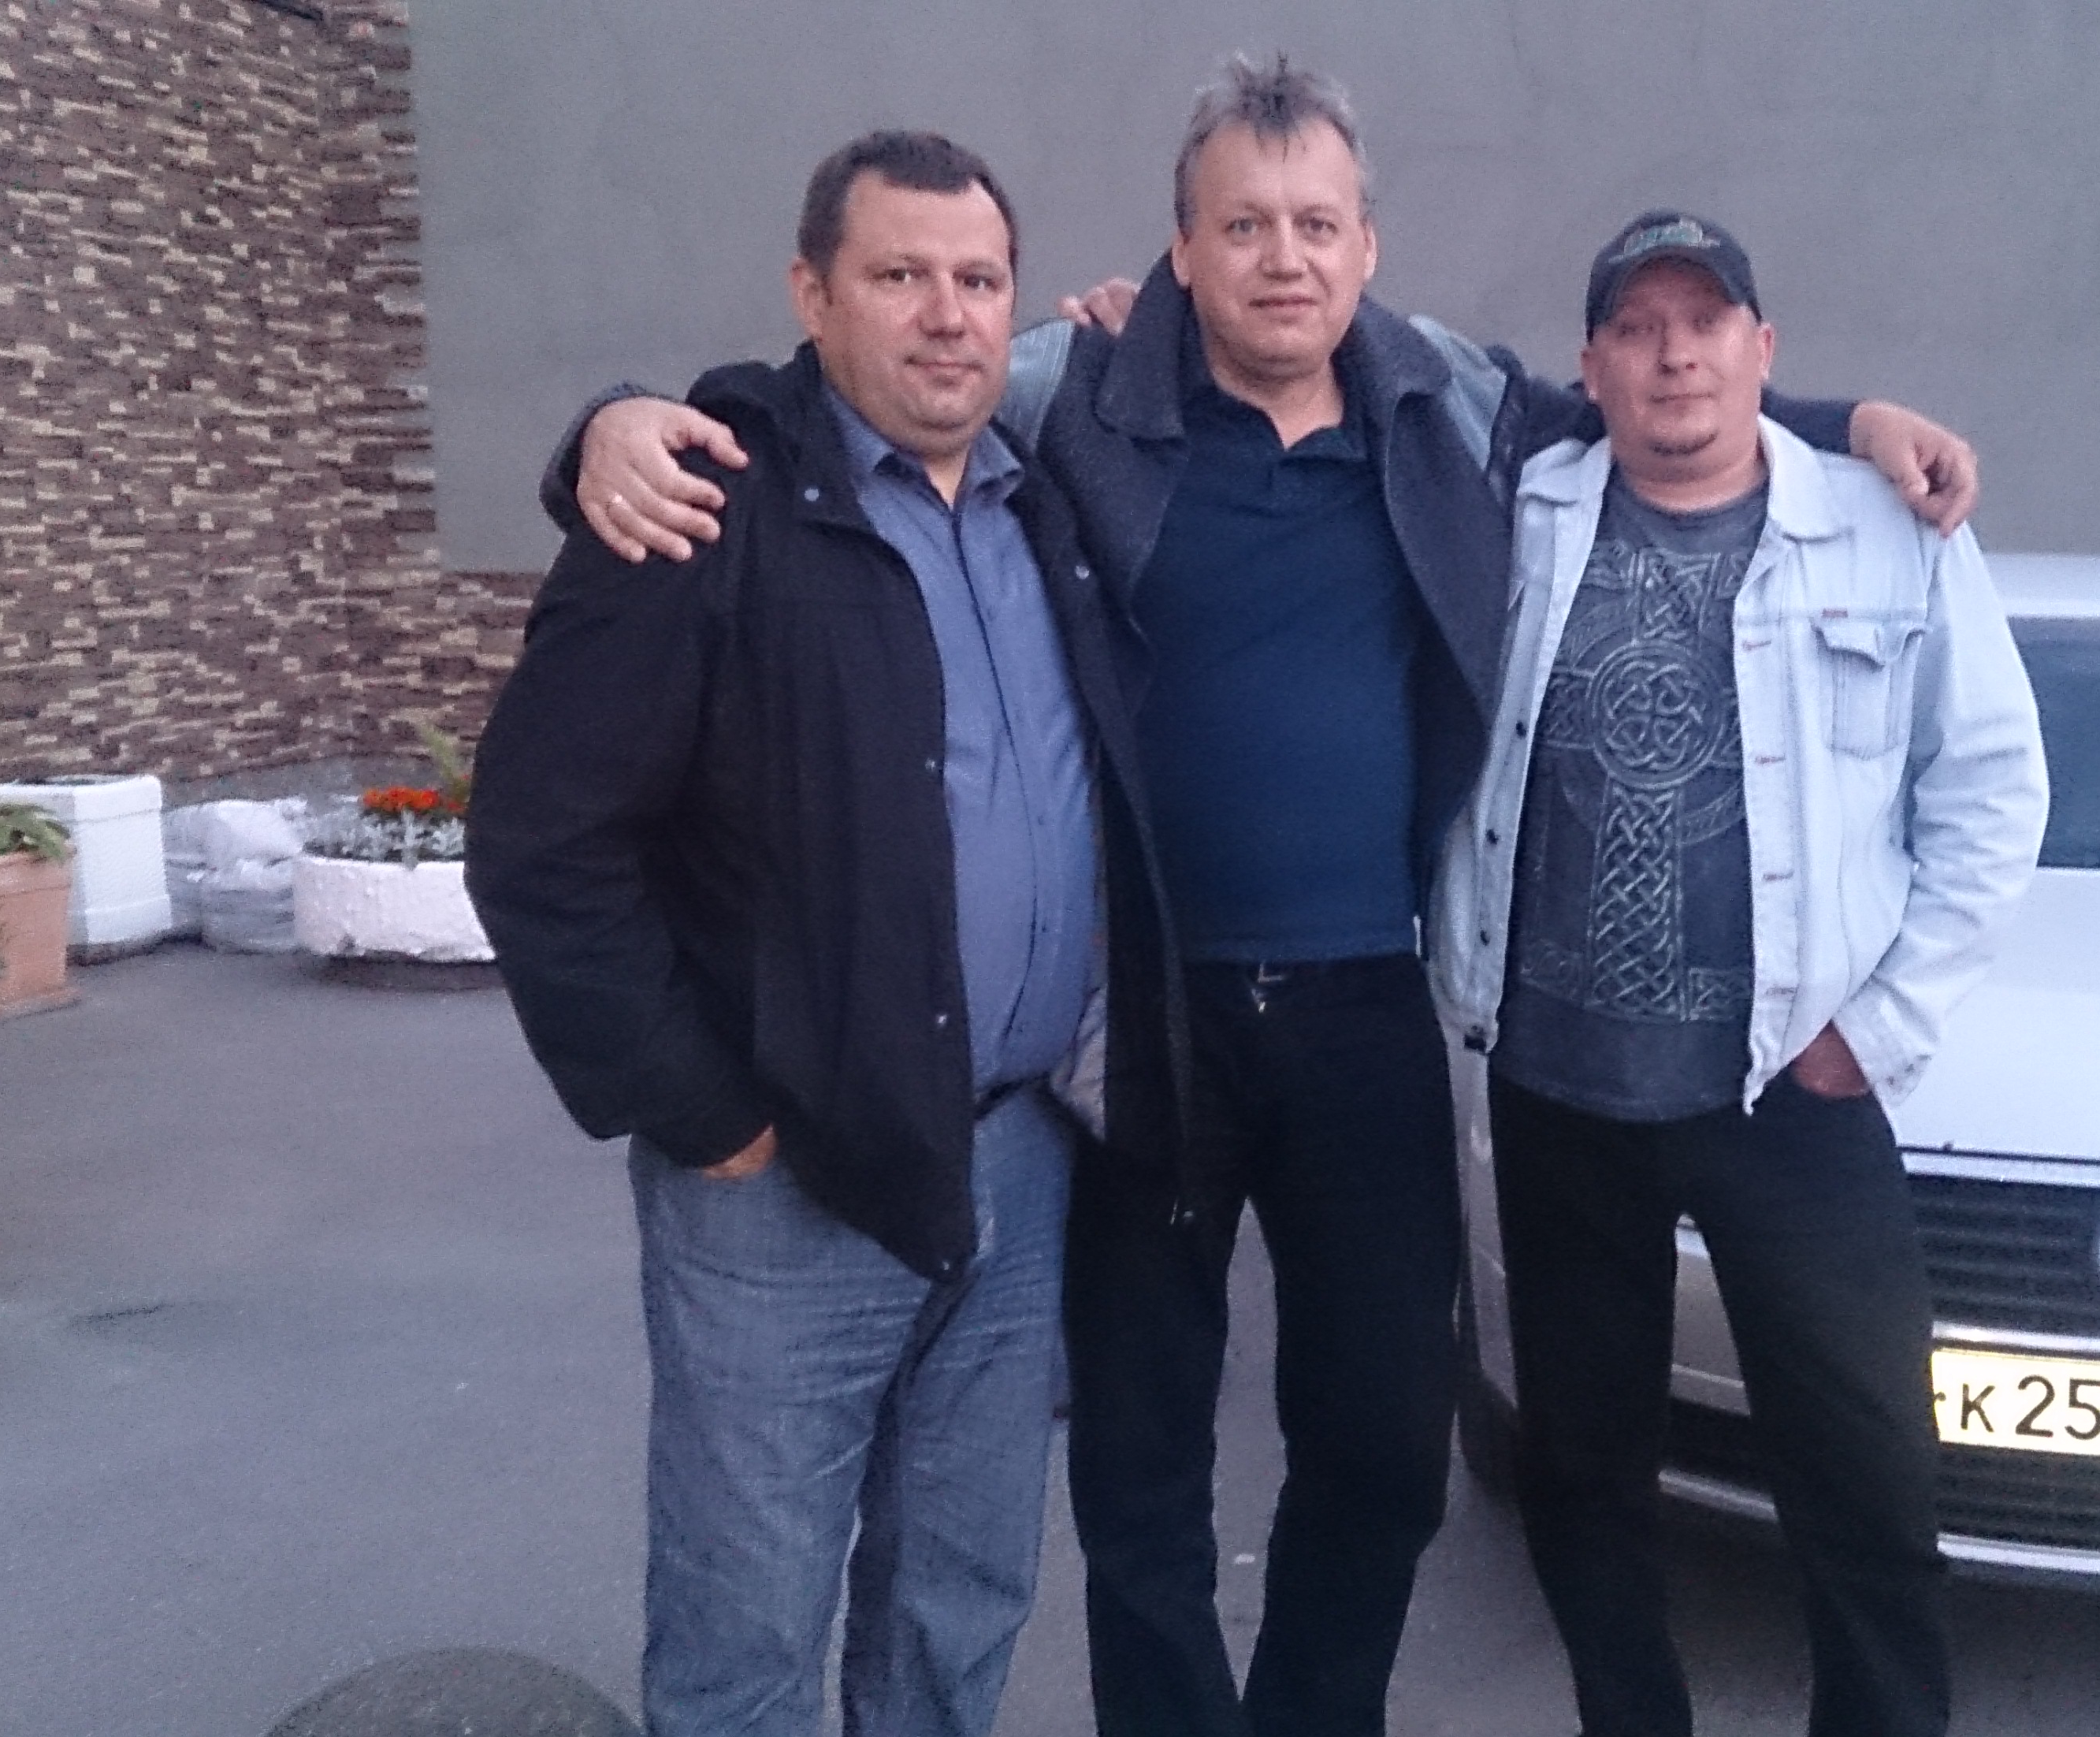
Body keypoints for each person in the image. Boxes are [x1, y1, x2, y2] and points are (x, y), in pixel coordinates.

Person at [547, 59, 1984, 1737]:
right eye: (1242, 226)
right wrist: (615, 425)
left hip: (1367, 1013)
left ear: (1368, 246)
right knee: (1140, 1460)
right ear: (1182, 249)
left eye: (1314, 224)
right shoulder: (1071, 392)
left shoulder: (1449, 408)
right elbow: (856, 398)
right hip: (1150, 1024)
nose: (1282, 258)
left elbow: (1663, 405)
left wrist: (1853, 423)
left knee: (1380, 1444)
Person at [463, 131, 1180, 1737]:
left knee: (957, 1603)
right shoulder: (705, 505)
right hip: (788, 1186)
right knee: (751, 1628)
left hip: (1017, 1162)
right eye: (898, 274)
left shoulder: (1040, 498)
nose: (946, 313)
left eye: (978, 279)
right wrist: (703, 1111)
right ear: (812, 291)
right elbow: (539, 839)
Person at [1429, 211, 2048, 1737]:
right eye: (1636, 329)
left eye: (1704, 323)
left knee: (1868, 1478)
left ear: (1761, 350)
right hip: (1561, 1091)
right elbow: (1364, 374)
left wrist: (1874, 1031)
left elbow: (1991, 790)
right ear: (1590, 369)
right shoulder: (1515, 514)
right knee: (1581, 1476)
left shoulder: (1889, 528)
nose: (1673, 356)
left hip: (1791, 1091)